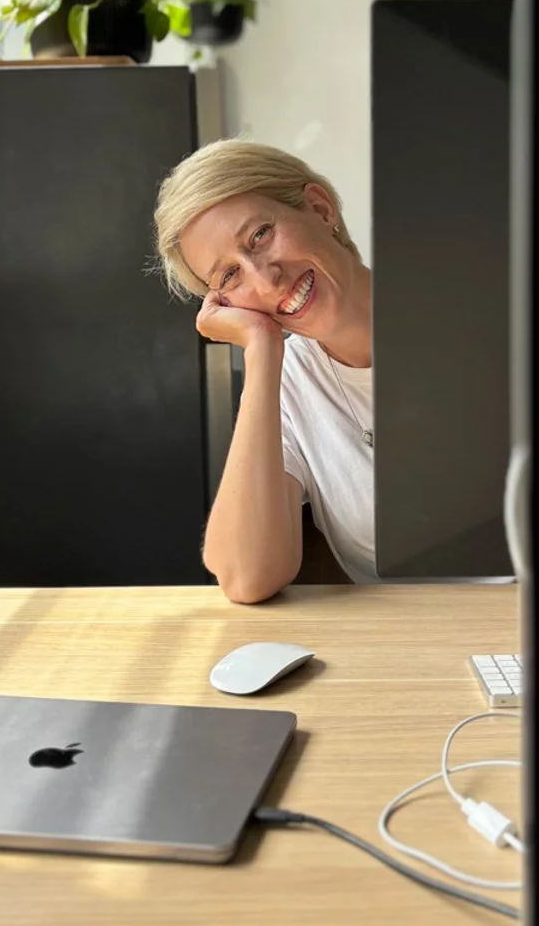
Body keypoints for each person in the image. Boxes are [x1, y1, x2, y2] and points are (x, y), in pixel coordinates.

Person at [153, 140, 376, 602]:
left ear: (321, 209)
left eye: (259, 235)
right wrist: (261, 349)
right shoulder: (289, 384)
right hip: (414, 640)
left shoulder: (481, 303)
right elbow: (246, 576)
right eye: (229, 276)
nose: (265, 278)